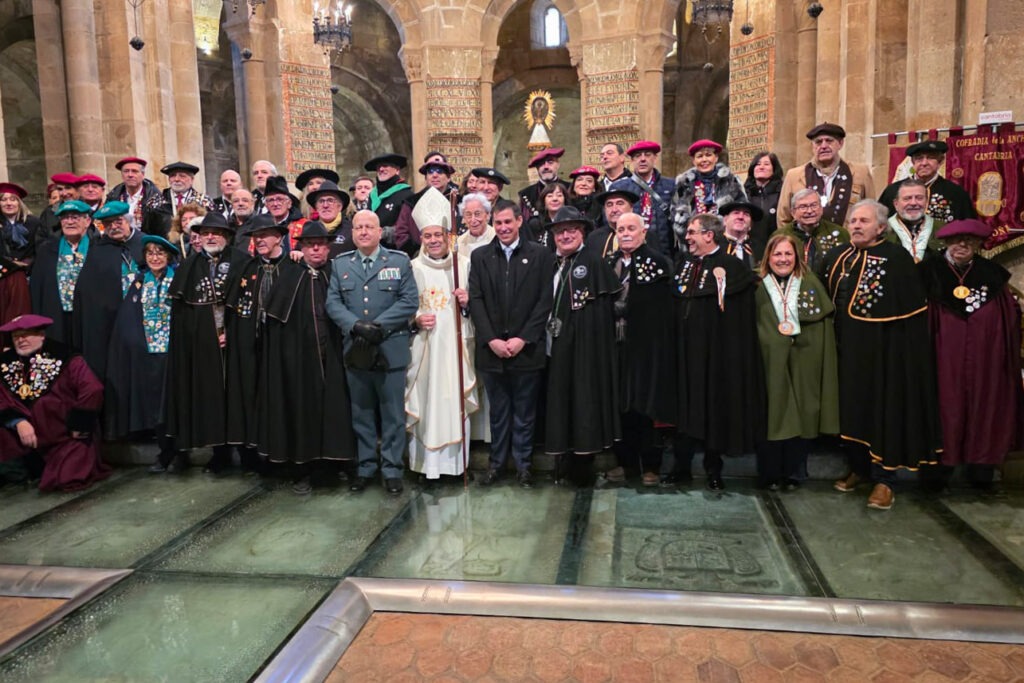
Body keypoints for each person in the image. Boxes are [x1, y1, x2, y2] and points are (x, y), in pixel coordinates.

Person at [822, 200, 942, 511]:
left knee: (882, 412)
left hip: (884, 353)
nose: (856, 226)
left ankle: (884, 479)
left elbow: (907, 311)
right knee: (851, 411)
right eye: (853, 221)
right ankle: (859, 469)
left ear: (880, 227)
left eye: (863, 221)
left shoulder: (896, 258)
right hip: (844, 351)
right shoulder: (838, 256)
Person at [921, 219, 1023, 490]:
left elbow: (1008, 320)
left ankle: (982, 466)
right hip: (941, 357)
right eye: (955, 241)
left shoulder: (992, 275)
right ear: (945, 243)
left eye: (968, 241)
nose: (961, 246)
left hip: (984, 357)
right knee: (944, 404)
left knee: (985, 401)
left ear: (978, 245)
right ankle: (940, 468)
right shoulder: (929, 273)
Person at [668, 213, 766, 491]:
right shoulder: (683, 263)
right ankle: (681, 466)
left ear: (709, 235)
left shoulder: (732, 267)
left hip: (716, 354)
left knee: (714, 409)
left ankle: (713, 468)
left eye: (691, 232)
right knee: (684, 408)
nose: (687, 237)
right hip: (685, 352)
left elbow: (738, 318)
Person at [326, 209, 418, 494]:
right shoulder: (340, 264)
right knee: (361, 412)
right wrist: (356, 326)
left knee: (392, 413)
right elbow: (332, 303)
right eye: (358, 227)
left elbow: (409, 301)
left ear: (380, 232)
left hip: (390, 348)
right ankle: (365, 467)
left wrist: (377, 326)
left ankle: (391, 469)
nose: (363, 231)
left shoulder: (399, 261)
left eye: (369, 227)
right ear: (352, 233)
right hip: (356, 349)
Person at [261, 220, 356, 494]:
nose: (316, 249)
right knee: (302, 412)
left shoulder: (336, 274)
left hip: (336, 357)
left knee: (337, 411)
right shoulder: (289, 275)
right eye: (309, 244)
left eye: (321, 244)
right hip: (300, 362)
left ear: (328, 248)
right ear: (300, 248)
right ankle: (302, 469)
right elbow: (277, 322)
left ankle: (337, 464)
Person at [468, 199, 554, 488]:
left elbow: (545, 300)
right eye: (499, 223)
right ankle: (496, 464)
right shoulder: (480, 257)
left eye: (508, 222)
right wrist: (491, 338)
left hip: (525, 349)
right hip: (492, 349)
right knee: (499, 411)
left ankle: (524, 466)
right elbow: (476, 300)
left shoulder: (540, 254)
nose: (503, 227)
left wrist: (523, 338)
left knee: (525, 412)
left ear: (519, 221)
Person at [164, 212, 249, 472]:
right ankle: (219, 453)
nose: (210, 236)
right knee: (210, 398)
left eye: (216, 232)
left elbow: (248, 302)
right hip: (202, 346)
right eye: (205, 232)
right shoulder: (190, 265)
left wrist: (232, 333)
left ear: (226, 236)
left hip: (237, 344)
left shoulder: (242, 261)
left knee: (240, 396)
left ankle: (247, 454)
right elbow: (181, 312)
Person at [754, 233, 839, 490]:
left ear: (797, 256)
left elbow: (822, 324)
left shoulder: (809, 282)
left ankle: (793, 473)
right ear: (768, 257)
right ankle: (769, 474)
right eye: (777, 254)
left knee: (801, 413)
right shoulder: (758, 286)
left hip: (803, 358)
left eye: (788, 254)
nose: (782, 259)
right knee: (772, 413)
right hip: (769, 360)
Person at [543, 206, 621, 486]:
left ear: (583, 232)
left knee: (582, 403)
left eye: (571, 230)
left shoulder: (593, 262)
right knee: (559, 402)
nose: (565, 236)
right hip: (555, 346)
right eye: (560, 231)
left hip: (583, 350)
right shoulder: (552, 263)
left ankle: (581, 466)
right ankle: (561, 459)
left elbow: (601, 313)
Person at [405, 188, 479, 482]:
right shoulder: (412, 268)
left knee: (454, 400)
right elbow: (403, 308)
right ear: (421, 238)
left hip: (457, 347)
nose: (434, 240)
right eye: (428, 236)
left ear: (448, 236)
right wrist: (415, 319)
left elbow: (478, 307)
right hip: (425, 349)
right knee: (426, 401)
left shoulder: (464, 265)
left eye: (439, 235)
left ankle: (456, 466)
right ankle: (425, 467)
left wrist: (467, 301)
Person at [222, 214, 297, 474]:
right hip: (251, 348)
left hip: (283, 349)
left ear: (279, 237)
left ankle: (285, 455)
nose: (260, 240)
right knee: (251, 400)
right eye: (256, 237)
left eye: (265, 235)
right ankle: (254, 455)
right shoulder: (247, 267)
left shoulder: (292, 267)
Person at [0, 314, 110, 492]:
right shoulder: (6, 364)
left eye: (26, 335)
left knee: (66, 479)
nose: (20, 340)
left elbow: (92, 389)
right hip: (25, 439)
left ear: (41, 335)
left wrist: (80, 424)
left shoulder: (67, 359)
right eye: (15, 337)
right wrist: (18, 422)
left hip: (65, 437)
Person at [604, 212, 675, 487]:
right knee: (620, 406)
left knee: (645, 407)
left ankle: (651, 466)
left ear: (643, 232)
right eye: (620, 229)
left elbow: (660, 310)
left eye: (631, 228)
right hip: (616, 347)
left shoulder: (658, 263)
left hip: (647, 350)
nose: (625, 233)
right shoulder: (609, 263)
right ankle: (626, 463)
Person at [106, 235, 180, 471]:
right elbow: (128, 319)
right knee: (154, 405)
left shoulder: (178, 280)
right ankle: (164, 452)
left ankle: (180, 451)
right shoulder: (138, 282)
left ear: (168, 257)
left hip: (173, 352)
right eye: (150, 254)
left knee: (175, 403)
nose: (155, 258)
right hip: (147, 354)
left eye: (160, 253)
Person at [72, 201, 144, 381]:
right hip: (109, 324)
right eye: (108, 223)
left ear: (129, 220)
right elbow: (87, 292)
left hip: (145, 320)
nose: (114, 227)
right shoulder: (98, 252)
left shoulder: (146, 245)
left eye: (118, 221)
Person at [777, 122, 874, 226]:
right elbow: (783, 217)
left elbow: (872, 211)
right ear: (812, 146)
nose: (823, 146)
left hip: (849, 240)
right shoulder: (794, 175)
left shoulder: (861, 172)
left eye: (829, 141)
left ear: (840, 143)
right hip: (807, 240)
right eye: (818, 142)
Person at [30, 200, 94, 347]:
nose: (69, 222)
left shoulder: (97, 249)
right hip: (56, 318)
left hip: (88, 319)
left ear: (87, 221)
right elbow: (37, 288)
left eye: (75, 217)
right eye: (65, 218)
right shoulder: (47, 250)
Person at [671, 139, 746, 251]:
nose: (704, 160)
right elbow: (676, 214)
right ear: (693, 160)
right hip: (692, 243)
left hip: (725, 242)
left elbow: (742, 210)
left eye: (708, 155)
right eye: (700, 156)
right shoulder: (684, 183)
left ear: (716, 158)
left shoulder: (731, 181)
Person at [879, 140, 976, 223]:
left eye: (930, 157)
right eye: (919, 158)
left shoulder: (955, 193)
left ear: (940, 161)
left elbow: (967, 228)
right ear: (913, 162)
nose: (924, 163)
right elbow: (880, 224)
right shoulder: (893, 191)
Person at [393, 153, 460, 255]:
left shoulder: (459, 201)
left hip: (454, 257)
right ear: (426, 178)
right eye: (430, 172)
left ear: (448, 178)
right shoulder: (412, 202)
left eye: (440, 172)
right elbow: (401, 233)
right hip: (419, 257)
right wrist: (419, 250)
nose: (434, 175)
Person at [776, 189, 850, 275]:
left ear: (821, 209)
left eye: (814, 205)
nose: (809, 211)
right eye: (803, 207)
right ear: (793, 212)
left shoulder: (839, 234)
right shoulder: (781, 236)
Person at [627, 139, 675, 256]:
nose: (643, 159)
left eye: (647, 155)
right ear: (632, 160)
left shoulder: (671, 185)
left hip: (664, 250)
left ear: (655, 158)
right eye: (638, 156)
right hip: (631, 249)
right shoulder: (621, 187)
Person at [886, 178, 944, 263]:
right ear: (896, 204)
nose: (913, 203)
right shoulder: (881, 231)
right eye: (907, 198)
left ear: (926, 202)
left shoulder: (942, 229)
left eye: (919, 198)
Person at [365, 153, 413, 244]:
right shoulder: (372, 195)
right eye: (379, 167)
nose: (381, 169)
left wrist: (384, 234)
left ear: (397, 170)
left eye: (385, 166)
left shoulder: (406, 195)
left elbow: (407, 227)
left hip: (394, 249)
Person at [744, 152, 784, 259]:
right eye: (757, 164)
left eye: (766, 164)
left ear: (774, 169)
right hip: (750, 251)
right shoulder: (744, 194)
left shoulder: (782, 193)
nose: (761, 167)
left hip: (776, 249)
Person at [586, 180, 641, 258]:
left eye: (620, 203)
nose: (614, 209)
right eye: (609, 204)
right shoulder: (594, 238)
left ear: (631, 207)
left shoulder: (644, 235)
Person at [106, 157, 162, 232]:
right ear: (122, 175)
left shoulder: (155, 198)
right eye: (126, 171)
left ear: (142, 174)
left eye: (134, 171)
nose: (130, 175)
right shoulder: (113, 197)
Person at [148, 161, 215, 219]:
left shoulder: (204, 201)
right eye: (173, 175)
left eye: (182, 176)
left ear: (192, 180)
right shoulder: (156, 201)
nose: (176, 179)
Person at [518, 147, 569, 222]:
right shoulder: (527, 194)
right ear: (537, 168)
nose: (546, 167)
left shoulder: (570, 189)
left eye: (550, 162)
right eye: (541, 164)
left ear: (558, 165)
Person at [305, 180, 353, 257]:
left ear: (340, 206)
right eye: (321, 201)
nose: (325, 205)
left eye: (330, 200)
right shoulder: (309, 229)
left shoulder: (351, 229)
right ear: (316, 207)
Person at [0, 182, 41, 266]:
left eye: (13, 199)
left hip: (29, 271)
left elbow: (40, 248)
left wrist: (27, 263)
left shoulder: (34, 222)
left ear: (19, 203)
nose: (8, 203)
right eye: (3, 200)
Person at [261, 176, 304, 250]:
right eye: (271, 200)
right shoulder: (260, 227)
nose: (275, 204)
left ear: (289, 203)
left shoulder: (304, 225)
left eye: (279, 199)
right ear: (266, 205)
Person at [720, 200, 764, 270]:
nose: (740, 217)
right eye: (736, 213)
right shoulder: (714, 246)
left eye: (746, 214)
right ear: (725, 220)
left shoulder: (760, 249)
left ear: (750, 225)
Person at [526, 182, 569, 250]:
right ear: (544, 201)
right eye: (550, 196)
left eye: (559, 195)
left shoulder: (572, 221)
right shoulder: (535, 223)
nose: (555, 199)